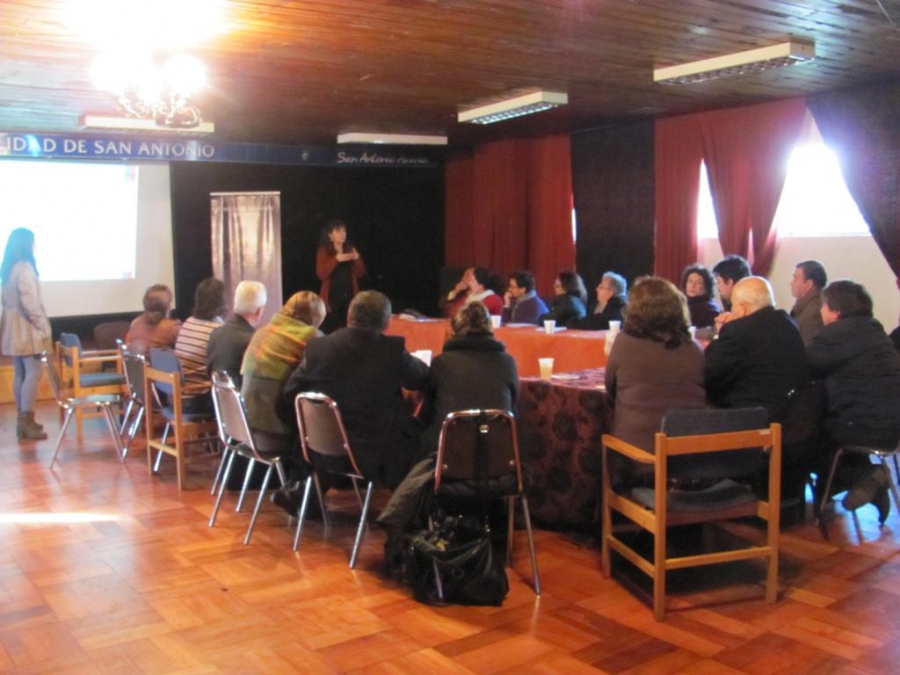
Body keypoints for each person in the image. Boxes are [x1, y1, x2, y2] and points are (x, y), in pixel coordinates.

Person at [378, 301, 519, 569]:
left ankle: (412, 526)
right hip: (501, 467)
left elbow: (429, 417)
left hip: (448, 467)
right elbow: (513, 412)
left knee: (419, 443)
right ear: (490, 329)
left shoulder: (442, 364)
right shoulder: (508, 363)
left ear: (453, 331)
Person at [281, 290, 428, 507]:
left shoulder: (319, 348)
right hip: (377, 452)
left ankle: (305, 495)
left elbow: (291, 393)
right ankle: (411, 508)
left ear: (349, 316)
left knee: (344, 429)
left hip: (322, 446)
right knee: (421, 436)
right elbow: (420, 378)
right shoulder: (391, 350)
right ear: (387, 323)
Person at [807, 280, 900, 522]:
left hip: (865, 427)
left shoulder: (835, 334)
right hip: (893, 424)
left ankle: (863, 477)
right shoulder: (874, 330)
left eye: (824, 306)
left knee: (808, 434)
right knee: (833, 423)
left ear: (835, 311)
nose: (820, 311)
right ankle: (869, 482)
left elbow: (806, 368)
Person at [604, 277, 706, 483]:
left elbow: (610, 388)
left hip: (638, 463)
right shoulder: (694, 348)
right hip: (691, 464)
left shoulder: (624, 343)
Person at [241, 291, 326, 472]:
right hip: (274, 429)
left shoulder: (263, 332)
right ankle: (304, 488)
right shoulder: (311, 338)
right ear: (316, 317)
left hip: (243, 426)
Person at [705, 276, 808, 423]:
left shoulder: (739, 332)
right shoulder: (788, 324)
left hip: (750, 420)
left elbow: (708, 371)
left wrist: (719, 334)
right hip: (790, 417)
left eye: (733, 306)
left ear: (743, 308)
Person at [0, 228, 51, 441]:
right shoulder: (25, 269)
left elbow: (5, 299)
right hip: (26, 328)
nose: (34, 246)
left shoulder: (8, 268)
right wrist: (43, 326)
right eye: (33, 242)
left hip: (12, 325)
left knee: (20, 372)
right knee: (34, 372)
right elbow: (30, 302)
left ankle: (23, 420)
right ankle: (26, 420)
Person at [173, 277, 226, 414]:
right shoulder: (217, 329)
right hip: (196, 401)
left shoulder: (189, 322)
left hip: (176, 397)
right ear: (222, 301)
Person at [206, 281, 267, 387]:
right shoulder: (254, 342)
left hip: (218, 401)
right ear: (259, 311)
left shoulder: (215, 334)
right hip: (242, 402)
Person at [316, 219, 366, 333]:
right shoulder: (324, 251)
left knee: (348, 330)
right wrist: (336, 259)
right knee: (331, 330)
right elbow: (321, 274)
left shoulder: (349, 249)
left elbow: (361, 273)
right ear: (330, 235)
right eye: (338, 231)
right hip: (331, 299)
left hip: (349, 298)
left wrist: (357, 258)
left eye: (344, 231)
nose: (342, 234)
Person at [125, 284, 181, 357]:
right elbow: (187, 354)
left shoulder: (135, 323)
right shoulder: (173, 328)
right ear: (168, 306)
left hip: (137, 368)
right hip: (162, 368)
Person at [790, 260, 827, 346]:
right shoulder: (806, 305)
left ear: (809, 284)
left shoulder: (814, 313)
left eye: (796, 278)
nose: (791, 283)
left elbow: (808, 350)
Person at [681, 264, 721, 328]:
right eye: (690, 281)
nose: (693, 285)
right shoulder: (680, 304)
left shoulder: (711, 311)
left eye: (699, 282)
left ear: (706, 287)